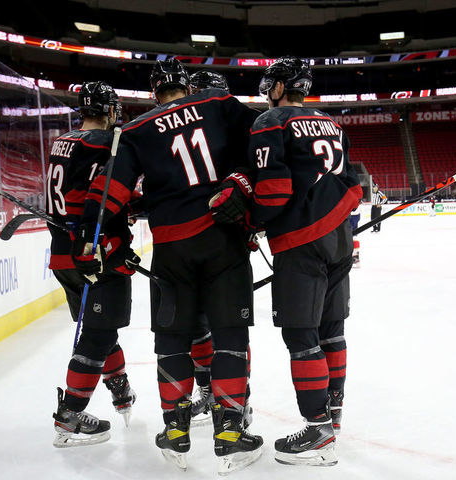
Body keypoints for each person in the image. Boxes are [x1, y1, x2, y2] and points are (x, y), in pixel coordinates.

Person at [76, 58, 263, 474]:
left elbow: (108, 191)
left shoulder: (136, 129)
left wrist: (91, 239)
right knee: (229, 334)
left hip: (172, 250)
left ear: (153, 92)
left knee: (173, 339)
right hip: (223, 242)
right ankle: (230, 431)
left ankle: (176, 431)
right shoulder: (218, 103)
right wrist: (244, 184)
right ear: (187, 85)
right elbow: (263, 143)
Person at [232, 56, 362, 465]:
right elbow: (352, 182)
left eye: (269, 84)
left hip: (301, 239)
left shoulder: (271, 122)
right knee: (332, 329)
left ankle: (318, 429)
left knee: (301, 334)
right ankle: (333, 416)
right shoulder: (331, 123)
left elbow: (272, 188)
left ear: (280, 86)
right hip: (341, 237)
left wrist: (251, 222)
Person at [48, 81, 138, 447]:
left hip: (61, 255)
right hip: (96, 255)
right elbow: (101, 199)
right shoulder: (104, 144)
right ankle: (69, 416)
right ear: (111, 111)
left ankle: (119, 390)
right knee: (98, 334)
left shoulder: (62, 141)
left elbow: (77, 192)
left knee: (100, 328)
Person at [186, 69, 254, 428]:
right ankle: (219, 398)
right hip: (206, 241)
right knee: (215, 328)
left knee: (222, 327)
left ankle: (236, 400)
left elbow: (257, 169)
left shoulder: (236, 121)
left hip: (219, 240)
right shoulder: (238, 118)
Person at [349, 200, 362, 267]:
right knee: (353, 236)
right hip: (354, 214)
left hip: (352, 215)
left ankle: (355, 257)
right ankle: (355, 256)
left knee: (352, 237)